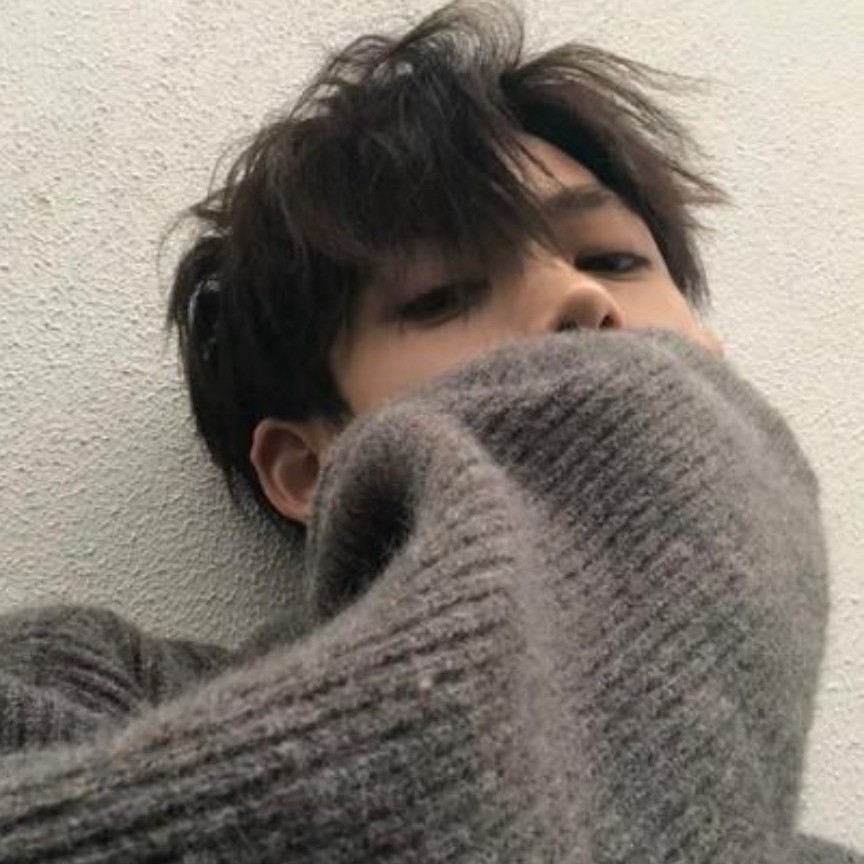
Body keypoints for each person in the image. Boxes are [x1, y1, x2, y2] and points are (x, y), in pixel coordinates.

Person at [0, 3, 860, 862]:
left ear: (709, 350)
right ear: (306, 467)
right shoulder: (78, 689)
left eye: (612, 260)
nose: (578, 296)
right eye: (440, 297)